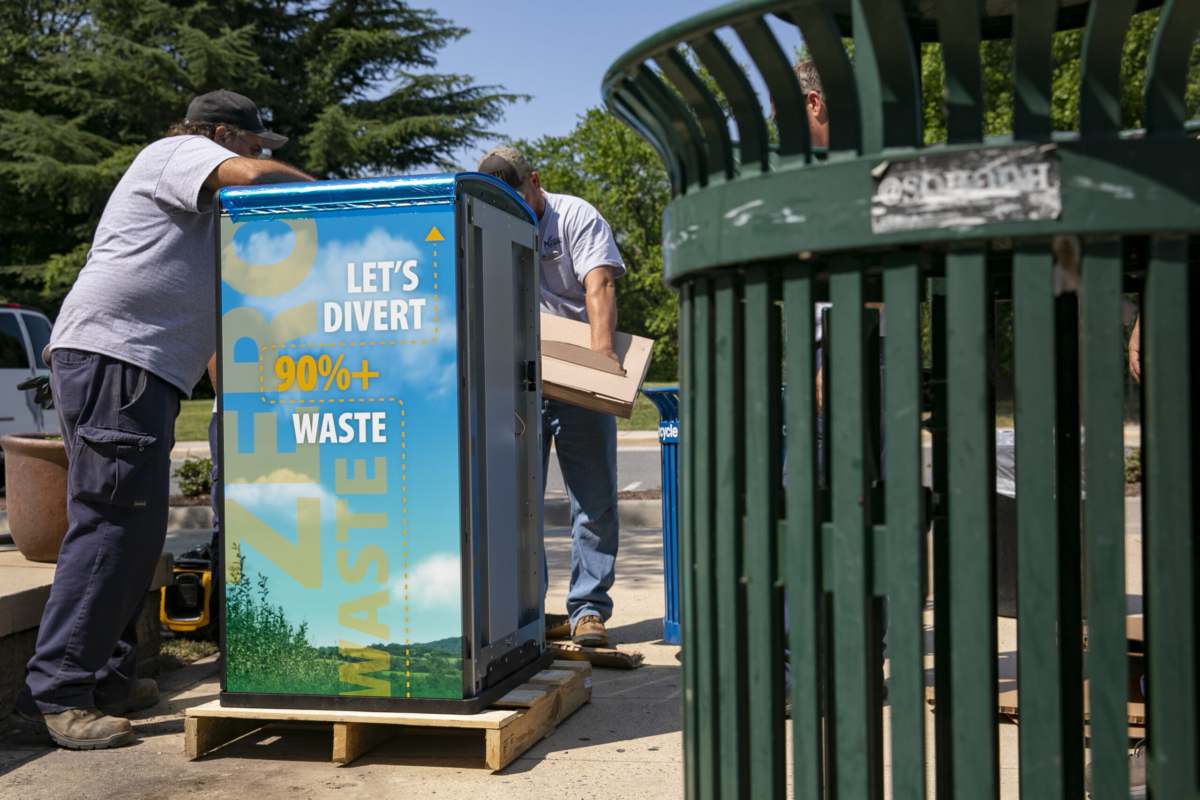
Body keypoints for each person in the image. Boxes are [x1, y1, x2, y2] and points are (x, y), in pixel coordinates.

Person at [9, 90, 313, 750]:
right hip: (116, 358)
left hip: (131, 365)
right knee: (115, 522)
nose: (260, 157)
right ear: (224, 134)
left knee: (134, 528)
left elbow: (206, 317)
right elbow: (256, 176)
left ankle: (108, 676)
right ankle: (50, 695)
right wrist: (319, 193)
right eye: (256, 143)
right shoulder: (179, 153)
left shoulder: (200, 214)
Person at [476, 146, 625, 648]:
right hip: (519, 379)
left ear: (534, 182)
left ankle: (588, 611)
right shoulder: (489, 221)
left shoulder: (576, 216)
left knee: (594, 498)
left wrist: (601, 359)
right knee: (519, 502)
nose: (509, 207)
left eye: (515, 196)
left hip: (578, 375)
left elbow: (599, 283)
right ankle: (527, 614)